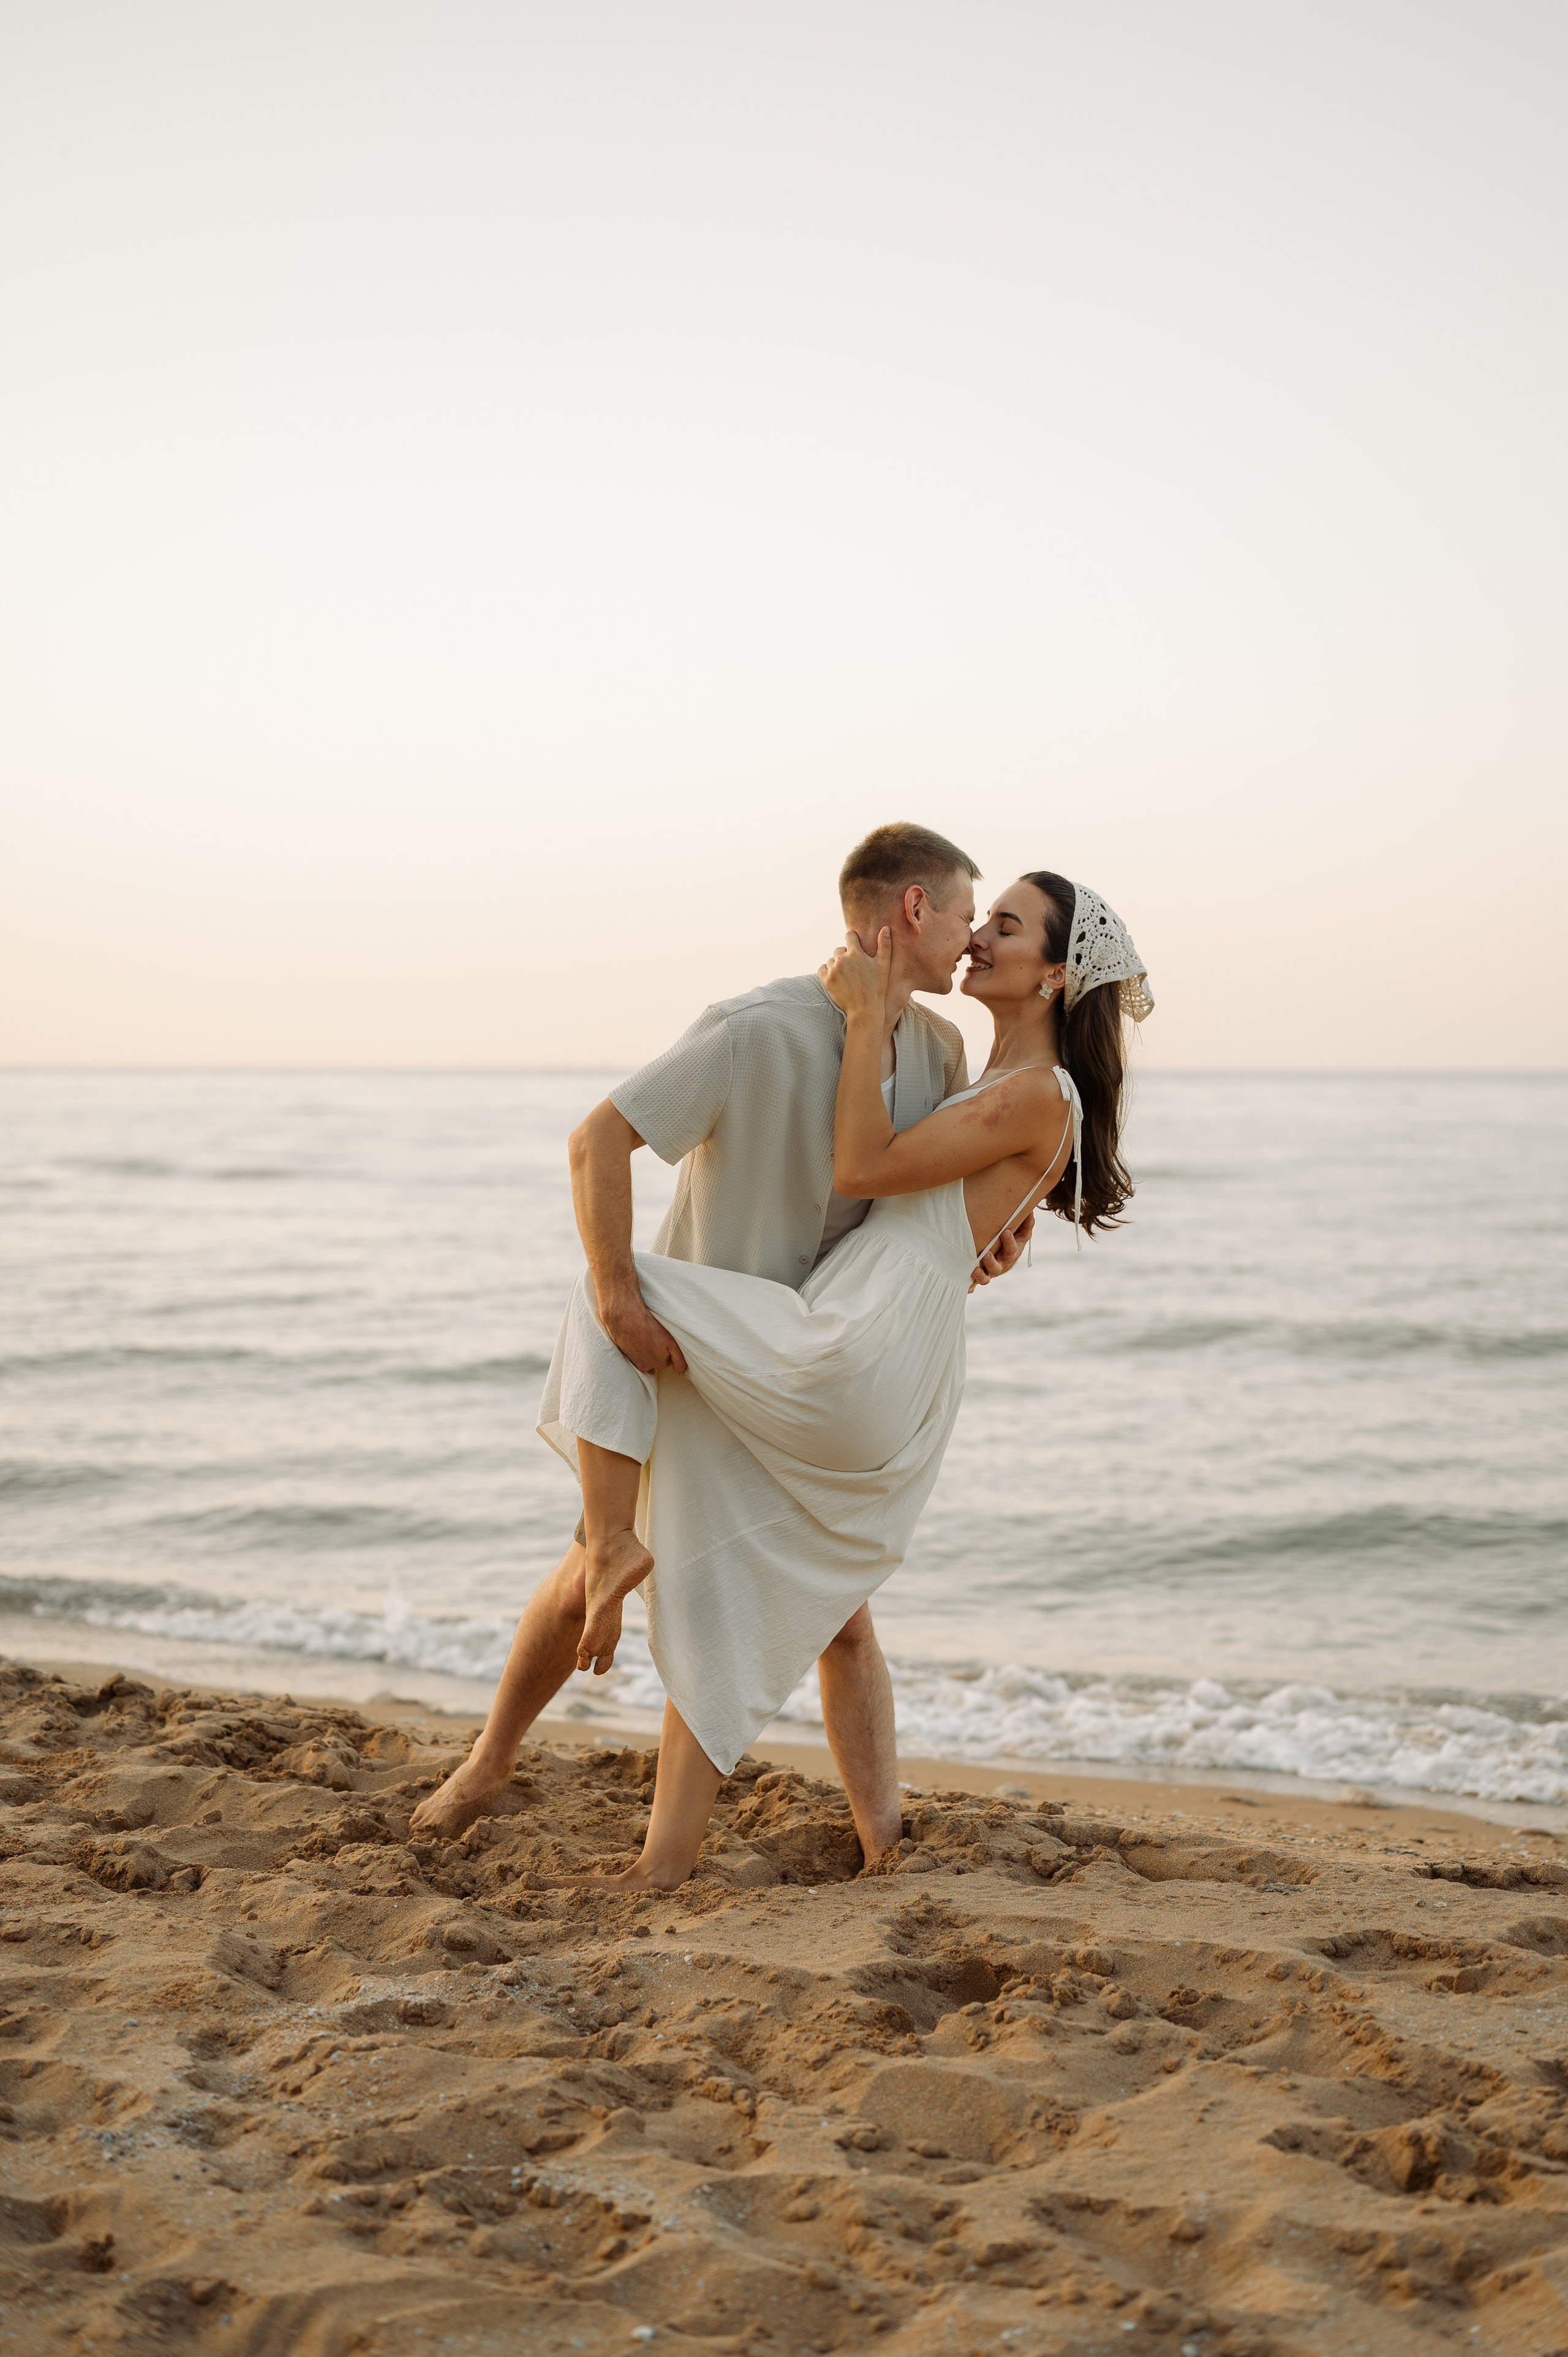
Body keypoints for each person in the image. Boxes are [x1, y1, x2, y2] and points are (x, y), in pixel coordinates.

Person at [411, 823, 1030, 1852]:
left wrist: (993, 1246)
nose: (972, 937)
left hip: (810, 1366)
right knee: (586, 1573)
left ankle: (884, 1843)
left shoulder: (941, 1049)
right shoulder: (756, 1026)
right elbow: (597, 1138)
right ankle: (489, 1763)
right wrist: (617, 1295)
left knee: (842, 1610)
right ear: (912, 911)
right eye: (966, 911)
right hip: (696, 1357)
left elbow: (926, 1207)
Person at [535, 870, 1152, 1890]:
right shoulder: (993, 1083)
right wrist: (991, 1242)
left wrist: (865, 1011)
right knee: (723, 1549)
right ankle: (673, 1858)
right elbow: (946, 1223)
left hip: (855, 1348)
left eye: (1006, 927)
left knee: (613, 1288)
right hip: (880, 1349)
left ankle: (607, 1544)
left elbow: (862, 1166)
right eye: (980, 918)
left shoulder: (1038, 1093)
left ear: (1053, 977)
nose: (981, 940)